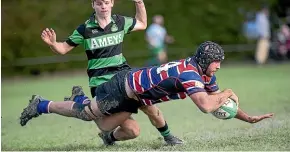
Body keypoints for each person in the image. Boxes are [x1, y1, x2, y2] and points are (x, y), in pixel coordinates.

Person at [20, 41, 274, 145]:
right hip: (123, 87)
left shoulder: (204, 74)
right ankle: (42, 104)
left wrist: (248, 117)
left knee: (117, 127)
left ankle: (166, 138)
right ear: (206, 60)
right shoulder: (188, 74)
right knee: (89, 115)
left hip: (137, 94)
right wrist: (229, 92)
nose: (219, 65)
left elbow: (218, 101)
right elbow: (208, 106)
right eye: (217, 61)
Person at [40, 0, 182, 145]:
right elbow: (63, 48)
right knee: (132, 130)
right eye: (99, 3)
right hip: (102, 84)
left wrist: (139, 3)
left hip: (124, 77)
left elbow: (142, 23)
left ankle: (168, 137)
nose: (103, 7)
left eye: (106, 3)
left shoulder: (119, 22)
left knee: (147, 105)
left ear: (112, 3)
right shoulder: (85, 29)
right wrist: (53, 44)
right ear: (93, 5)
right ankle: (84, 104)